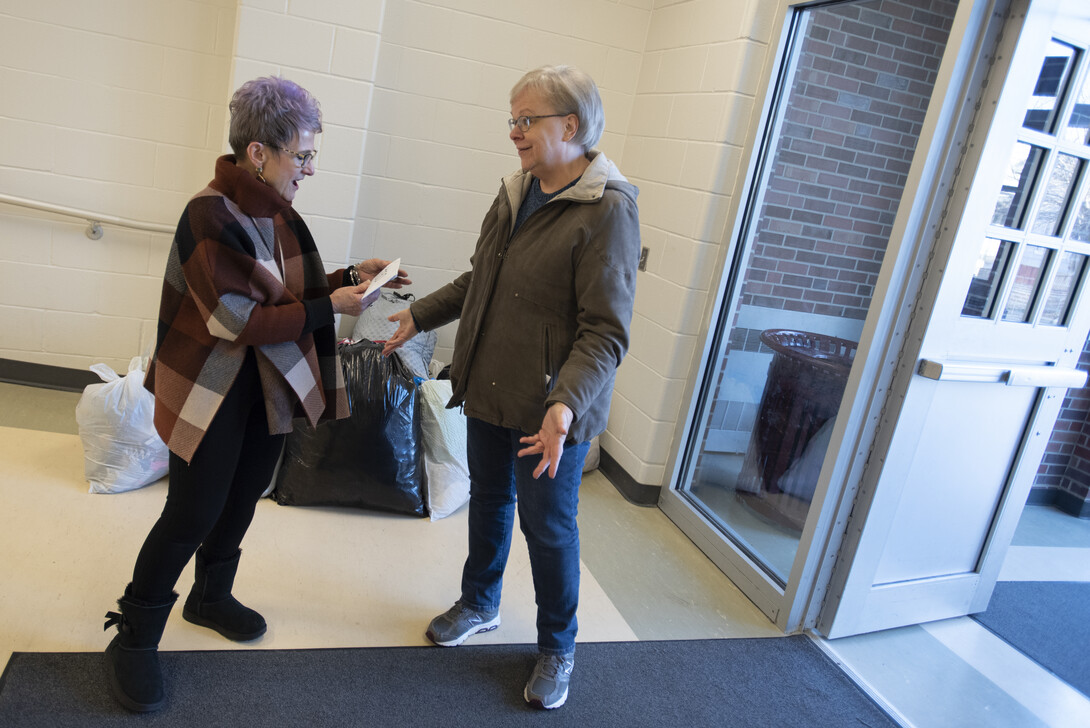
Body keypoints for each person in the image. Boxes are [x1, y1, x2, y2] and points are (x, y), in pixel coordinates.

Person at [103, 76, 409, 713]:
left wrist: (354, 277)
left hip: (262, 388)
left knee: (242, 498)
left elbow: (284, 294)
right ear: (258, 152)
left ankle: (210, 597)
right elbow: (235, 320)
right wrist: (334, 307)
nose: (310, 169)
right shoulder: (207, 214)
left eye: (310, 156)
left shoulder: (274, 211)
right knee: (191, 512)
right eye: (302, 155)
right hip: (208, 392)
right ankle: (134, 636)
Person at [383, 65, 640, 710]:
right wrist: (420, 313)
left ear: (571, 127)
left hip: (552, 408)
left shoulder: (607, 209)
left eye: (526, 120)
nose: (514, 132)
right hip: (490, 387)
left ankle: (558, 645)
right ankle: (480, 601)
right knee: (491, 502)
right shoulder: (514, 190)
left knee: (548, 528)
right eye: (512, 119)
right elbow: (481, 280)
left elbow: (605, 331)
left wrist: (564, 405)